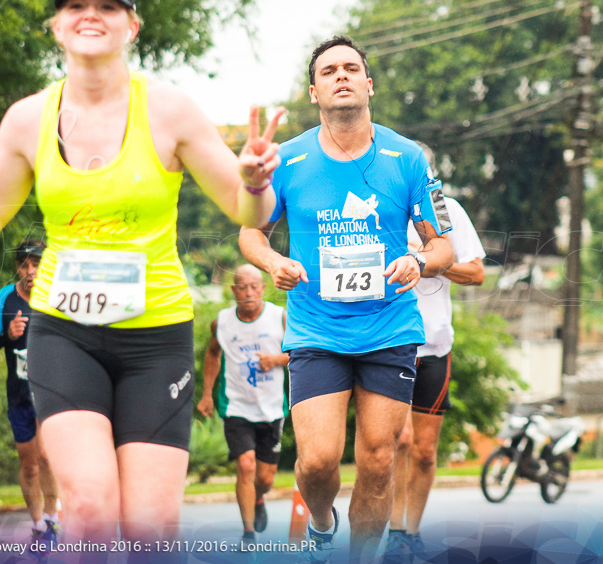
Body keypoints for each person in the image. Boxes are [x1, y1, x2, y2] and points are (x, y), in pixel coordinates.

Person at [0, 0, 283, 543]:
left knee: (150, 528)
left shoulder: (170, 111)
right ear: (57, 27)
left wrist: (256, 180)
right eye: (76, 5)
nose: (90, 15)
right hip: (64, 333)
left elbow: (246, 210)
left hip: (156, 337)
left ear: (132, 26)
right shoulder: (29, 118)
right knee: (89, 508)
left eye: (107, 6)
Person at [239, 35, 455, 560]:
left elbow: (443, 243)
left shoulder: (407, 158)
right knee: (316, 461)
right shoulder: (288, 161)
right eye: (329, 71)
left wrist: (418, 260)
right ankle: (319, 520)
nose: (341, 75)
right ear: (314, 91)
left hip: (389, 329)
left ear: (368, 83)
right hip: (317, 330)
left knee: (379, 461)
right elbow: (251, 233)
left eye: (351, 68)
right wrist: (275, 263)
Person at [384, 142, 486, 562]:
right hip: (389, 342)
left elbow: (476, 272)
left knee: (424, 450)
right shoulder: (382, 207)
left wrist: (424, 261)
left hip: (435, 343)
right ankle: (392, 531)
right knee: (399, 440)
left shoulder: (446, 211)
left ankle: (410, 530)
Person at [0, 238, 61, 548]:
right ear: (17, 267)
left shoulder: (59, 296)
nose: (30, 270)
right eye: (24, 264)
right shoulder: (4, 299)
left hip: (52, 389)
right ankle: (38, 524)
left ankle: (52, 518)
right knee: (30, 464)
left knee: (48, 457)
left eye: (36, 263)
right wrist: (6, 335)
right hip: (20, 393)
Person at [197, 264, 288, 545]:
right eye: (242, 287)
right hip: (236, 405)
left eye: (254, 286)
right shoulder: (221, 322)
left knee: (265, 478)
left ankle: (258, 498)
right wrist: (208, 393)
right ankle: (248, 533)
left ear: (262, 288)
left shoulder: (279, 317)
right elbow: (212, 355)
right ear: (234, 291)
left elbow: (298, 353)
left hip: (272, 408)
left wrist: (275, 360)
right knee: (245, 466)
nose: (249, 292)